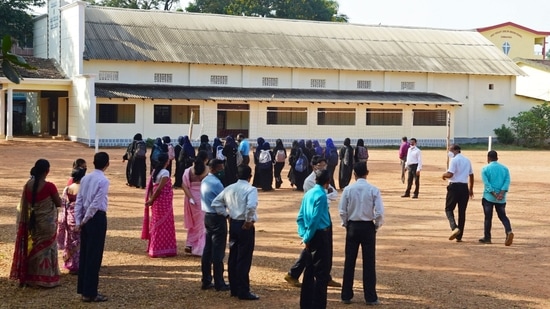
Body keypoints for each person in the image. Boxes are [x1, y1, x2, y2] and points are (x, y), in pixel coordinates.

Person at [285, 156, 340, 288]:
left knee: (323, 250)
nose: (323, 167)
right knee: (312, 250)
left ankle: (324, 276)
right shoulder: (310, 182)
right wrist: (305, 235)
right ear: (314, 166)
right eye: (321, 165)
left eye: (324, 165)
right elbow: (324, 199)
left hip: (322, 218)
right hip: (317, 220)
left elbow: (334, 194)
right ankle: (296, 273)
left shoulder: (322, 179)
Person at [10, 159, 62, 288]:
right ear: (47, 171)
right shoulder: (49, 186)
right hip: (47, 224)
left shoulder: (28, 185)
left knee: (35, 246)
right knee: (47, 248)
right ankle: (47, 278)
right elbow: (59, 203)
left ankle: (31, 277)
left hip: (33, 222)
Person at [339, 162, 384, 306]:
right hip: (367, 226)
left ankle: (346, 295)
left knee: (349, 262)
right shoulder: (373, 189)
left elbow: (342, 211)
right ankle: (370, 296)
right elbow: (379, 212)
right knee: (369, 263)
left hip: (353, 225)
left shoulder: (348, 189)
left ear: (354, 174)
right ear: (367, 172)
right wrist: (376, 226)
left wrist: (346, 224)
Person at [211, 165, 260, 300]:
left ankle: (234, 288)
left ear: (237, 176)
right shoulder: (251, 189)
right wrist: (249, 220)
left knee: (233, 256)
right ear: (250, 177)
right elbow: (251, 206)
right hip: (245, 225)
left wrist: (226, 215)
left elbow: (216, 203)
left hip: (234, 224)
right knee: (244, 258)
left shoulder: (229, 188)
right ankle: (243, 290)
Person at [75, 152, 110, 302]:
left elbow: (79, 200)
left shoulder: (85, 178)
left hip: (85, 217)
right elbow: (96, 203)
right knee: (94, 256)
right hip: (96, 218)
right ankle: (90, 292)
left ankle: (84, 289)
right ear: (107, 164)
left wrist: (79, 220)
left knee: (85, 253)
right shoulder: (103, 180)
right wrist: (85, 219)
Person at [296, 169, 332, 309]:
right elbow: (315, 219)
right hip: (320, 234)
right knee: (321, 274)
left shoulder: (308, 193)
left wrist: (303, 235)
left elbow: (300, 217)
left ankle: (305, 304)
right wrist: (307, 236)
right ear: (327, 182)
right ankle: (318, 305)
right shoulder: (322, 195)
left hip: (309, 235)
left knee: (309, 271)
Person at [200, 159, 230, 291]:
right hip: (217, 217)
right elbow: (223, 201)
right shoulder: (217, 183)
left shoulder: (205, 180)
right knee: (218, 252)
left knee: (207, 250)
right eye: (220, 169)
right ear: (213, 169)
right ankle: (219, 282)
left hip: (207, 216)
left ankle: (206, 279)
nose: (222, 171)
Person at [142, 153, 177, 258]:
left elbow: (153, 188)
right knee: (164, 224)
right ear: (167, 162)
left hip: (158, 202)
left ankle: (154, 248)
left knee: (156, 223)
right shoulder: (165, 172)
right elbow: (160, 188)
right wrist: (152, 199)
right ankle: (161, 249)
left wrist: (151, 199)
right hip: (163, 202)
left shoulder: (154, 172)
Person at [480, 150, 514, 246]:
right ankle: (508, 231)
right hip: (501, 198)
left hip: (488, 197)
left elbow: (487, 184)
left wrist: (494, 194)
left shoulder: (485, 169)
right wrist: (501, 193)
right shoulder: (504, 169)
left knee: (488, 217)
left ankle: (487, 237)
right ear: (497, 158)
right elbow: (507, 182)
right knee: (503, 216)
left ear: (488, 158)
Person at [57, 167, 87, 275]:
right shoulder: (84, 188)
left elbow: (63, 204)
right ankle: (80, 264)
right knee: (81, 241)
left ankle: (70, 263)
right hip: (80, 218)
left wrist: (63, 220)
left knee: (69, 241)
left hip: (69, 218)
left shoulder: (67, 188)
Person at [442, 144, 474, 242]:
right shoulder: (467, 160)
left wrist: (444, 175)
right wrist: (470, 189)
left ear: (456, 150)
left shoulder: (454, 160)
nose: (449, 152)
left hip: (454, 187)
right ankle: (459, 236)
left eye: (450, 150)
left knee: (449, 209)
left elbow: (450, 174)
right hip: (464, 187)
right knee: (462, 212)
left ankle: (454, 227)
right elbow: (471, 175)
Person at [181, 150, 209, 256]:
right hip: (203, 197)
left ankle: (190, 244)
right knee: (202, 223)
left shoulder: (188, 170)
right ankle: (200, 247)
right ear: (206, 159)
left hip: (191, 197)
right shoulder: (207, 170)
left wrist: (190, 197)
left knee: (192, 223)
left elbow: (184, 185)